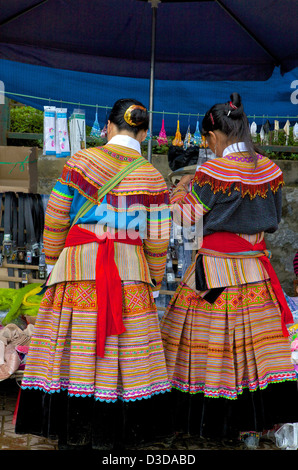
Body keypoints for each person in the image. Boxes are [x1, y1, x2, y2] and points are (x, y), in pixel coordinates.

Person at [15, 98, 172, 450]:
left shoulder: (81, 161)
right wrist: (155, 280)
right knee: (124, 350)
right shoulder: (153, 178)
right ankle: (113, 434)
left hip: (77, 264)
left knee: (73, 348)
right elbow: (159, 239)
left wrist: (54, 261)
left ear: (109, 127)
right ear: (145, 132)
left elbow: (55, 214)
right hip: (130, 270)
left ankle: (73, 430)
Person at [160, 93, 298, 448]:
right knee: (257, 350)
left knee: (208, 348)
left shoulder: (212, 170)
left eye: (207, 140)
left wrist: (177, 191)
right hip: (255, 272)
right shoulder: (271, 169)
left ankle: (214, 423)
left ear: (215, 135)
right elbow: (275, 220)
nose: (209, 146)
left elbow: (186, 216)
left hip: (214, 273)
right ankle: (254, 428)